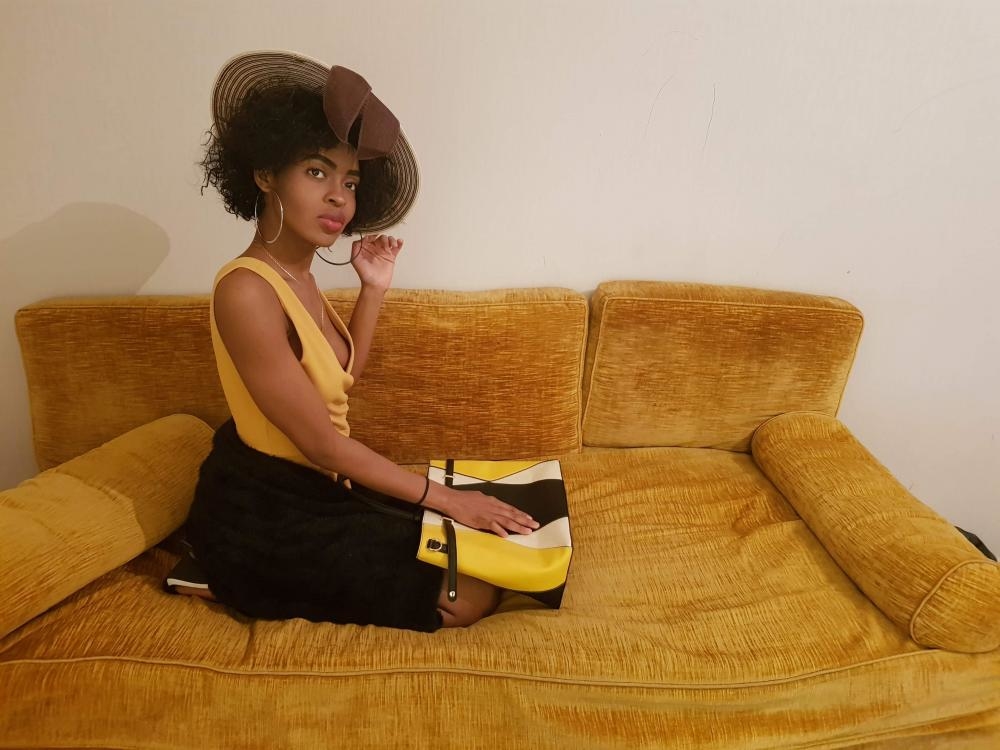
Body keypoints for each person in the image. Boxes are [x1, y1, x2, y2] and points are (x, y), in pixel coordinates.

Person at [183, 50, 539, 632]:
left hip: (319, 487)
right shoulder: (246, 290)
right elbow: (322, 443)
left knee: (496, 551)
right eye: (316, 172)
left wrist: (372, 289)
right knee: (467, 596)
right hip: (265, 512)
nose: (339, 197)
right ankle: (219, 572)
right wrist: (447, 498)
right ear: (266, 173)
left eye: (349, 181)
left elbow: (342, 378)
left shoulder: (299, 277)